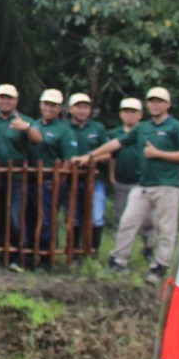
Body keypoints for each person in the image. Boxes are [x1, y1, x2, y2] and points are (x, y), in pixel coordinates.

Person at [80, 87, 179, 281]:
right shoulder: (143, 127)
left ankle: (160, 266)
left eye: (159, 101)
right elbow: (118, 143)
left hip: (167, 185)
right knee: (128, 221)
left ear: (167, 104)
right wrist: (91, 155)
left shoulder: (176, 127)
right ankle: (118, 260)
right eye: (152, 101)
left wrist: (158, 154)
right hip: (143, 185)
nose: (155, 105)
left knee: (165, 228)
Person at [0, 84, 42, 262]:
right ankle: (0, 252)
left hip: (17, 177)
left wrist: (26, 128)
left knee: (15, 216)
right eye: (2, 97)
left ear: (16, 100)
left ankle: (20, 253)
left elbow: (38, 139)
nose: (5, 101)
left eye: (9, 98)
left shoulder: (24, 120)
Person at [21, 89, 77, 270]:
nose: (49, 108)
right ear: (41, 105)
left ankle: (46, 257)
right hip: (31, 179)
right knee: (29, 217)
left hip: (49, 182)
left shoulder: (64, 130)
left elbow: (68, 159)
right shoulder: (34, 125)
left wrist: (60, 180)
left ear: (59, 108)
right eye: (46, 104)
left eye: (53, 105)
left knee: (46, 219)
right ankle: (30, 254)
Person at [107, 98, 155, 260]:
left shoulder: (146, 131)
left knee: (148, 219)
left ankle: (149, 248)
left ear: (140, 114)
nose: (130, 115)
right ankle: (121, 252)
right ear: (121, 114)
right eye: (126, 111)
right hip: (122, 180)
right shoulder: (115, 134)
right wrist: (112, 176)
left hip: (142, 181)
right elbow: (112, 156)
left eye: (133, 112)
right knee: (122, 217)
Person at [68, 92, 108, 252]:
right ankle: (74, 252)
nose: (82, 111)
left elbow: (108, 154)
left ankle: (93, 251)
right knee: (74, 217)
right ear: (70, 109)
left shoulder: (98, 128)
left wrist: (91, 159)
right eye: (78, 107)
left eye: (85, 107)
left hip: (95, 178)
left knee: (96, 216)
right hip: (71, 179)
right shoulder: (65, 128)